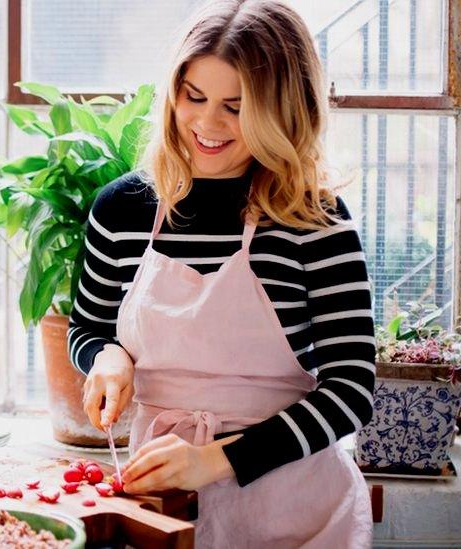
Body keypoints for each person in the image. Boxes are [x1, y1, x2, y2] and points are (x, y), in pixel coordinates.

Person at [71, 1, 375, 546]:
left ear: (283, 111)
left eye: (236, 107)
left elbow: (351, 389)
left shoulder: (314, 220)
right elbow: (87, 329)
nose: (207, 125)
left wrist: (214, 460)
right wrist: (109, 357)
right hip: (157, 503)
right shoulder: (120, 211)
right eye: (194, 97)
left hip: (291, 508)